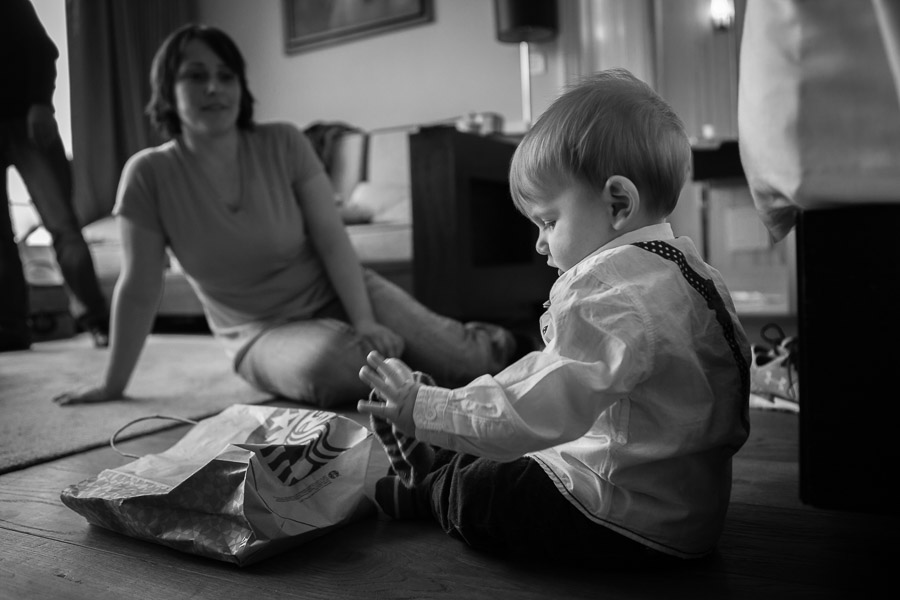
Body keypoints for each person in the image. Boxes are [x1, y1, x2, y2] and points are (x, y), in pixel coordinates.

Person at [357, 68, 751, 562]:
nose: (541, 244)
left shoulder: (609, 293)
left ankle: (432, 487)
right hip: (689, 511)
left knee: (489, 493)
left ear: (618, 203)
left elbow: (531, 410)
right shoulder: (693, 273)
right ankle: (439, 461)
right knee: (511, 450)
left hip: (626, 516)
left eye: (549, 221)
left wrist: (425, 406)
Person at [53, 24, 523, 408]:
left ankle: (499, 342)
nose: (214, 87)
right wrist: (113, 384)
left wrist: (362, 317)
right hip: (259, 334)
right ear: (167, 91)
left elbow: (332, 238)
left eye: (226, 75)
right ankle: (426, 394)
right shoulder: (148, 173)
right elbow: (138, 287)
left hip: (340, 291)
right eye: (195, 76)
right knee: (335, 365)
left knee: (468, 361)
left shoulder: (282, 142)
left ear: (241, 85)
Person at [1, 0, 110, 352]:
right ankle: (12, 329)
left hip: (27, 122)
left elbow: (42, 50)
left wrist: (41, 103)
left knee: (63, 227)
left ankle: (97, 320)